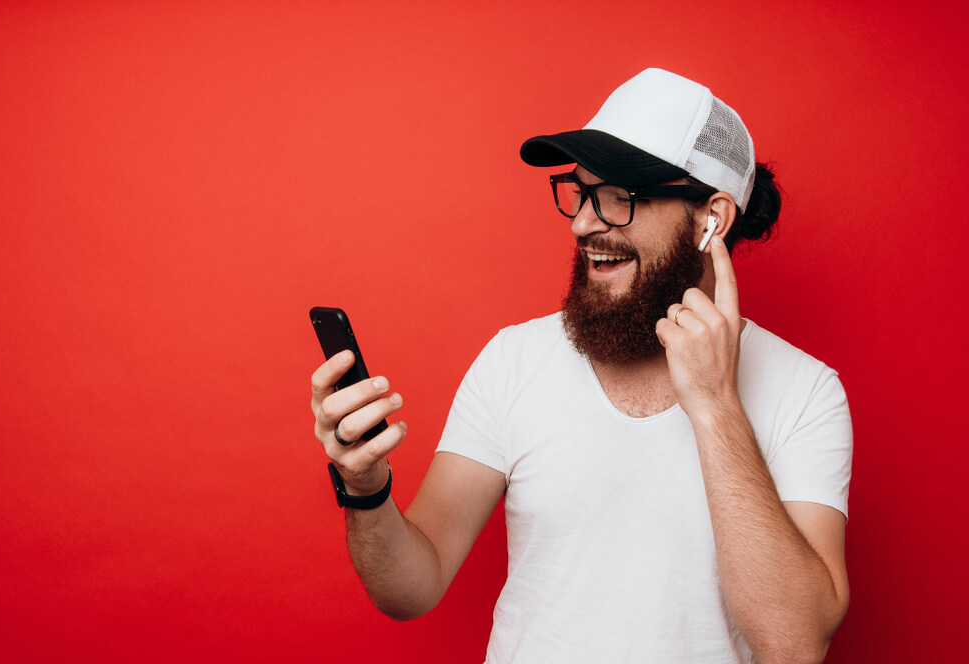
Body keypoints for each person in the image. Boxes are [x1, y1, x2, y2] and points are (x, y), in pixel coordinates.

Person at [310, 68, 852, 663]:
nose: (584, 223)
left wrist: (717, 404)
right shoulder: (514, 360)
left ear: (712, 220)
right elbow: (412, 588)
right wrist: (365, 488)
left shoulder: (806, 392)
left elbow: (796, 644)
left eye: (620, 197)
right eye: (581, 191)